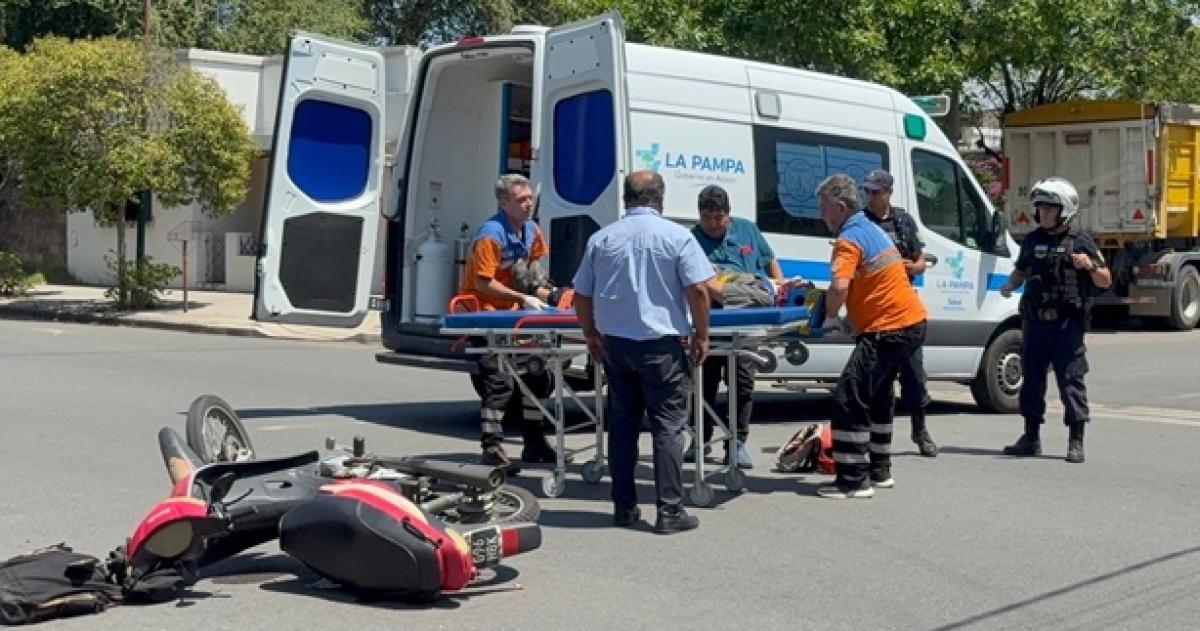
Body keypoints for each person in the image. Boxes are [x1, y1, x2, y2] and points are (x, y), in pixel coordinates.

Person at [573, 170, 714, 534]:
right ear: (660, 199)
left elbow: (581, 295)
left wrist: (590, 334)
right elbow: (699, 291)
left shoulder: (601, 239)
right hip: (662, 346)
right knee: (668, 427)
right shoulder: (677, 237)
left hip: (617, 346)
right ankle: (669, 511)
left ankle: (623, 507)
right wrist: (702, 335)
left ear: (626, 199)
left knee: (622, 427)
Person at [815, 174, 928, 499]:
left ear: (839, 207)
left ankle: (852, 481)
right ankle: (880, 471)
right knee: (877, 396)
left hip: (888, 329)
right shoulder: (871, 229)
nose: (822, 215)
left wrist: (832, 318)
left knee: (848, 398)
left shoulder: (849, 238)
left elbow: (839, 286)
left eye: (824, 208)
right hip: (909, 323)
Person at [998, 177, 1111, 463]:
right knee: (1032, 380)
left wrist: (1089, 266)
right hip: (1035, 323)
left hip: (1066, 325)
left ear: (1065, 210)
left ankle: (1076, 440)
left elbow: (1105, 280)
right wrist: (1011, 284)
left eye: (1050, 208)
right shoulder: (1033, 240)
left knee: (1071, 380)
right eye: (1041, 208)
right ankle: (1030, 437)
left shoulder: (1080, 241)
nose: (1044, 213)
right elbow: (1021, 270)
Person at [461, 174, 559, 469]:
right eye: (521, 200)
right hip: (486, 313)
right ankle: (491, 448)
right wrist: (522, 297)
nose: (528, 204)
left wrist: (551, 295)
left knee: (538, 375)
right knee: (499, 381)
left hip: (517, 314)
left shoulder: (531, 231)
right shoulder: (490, 234)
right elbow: (482, 283)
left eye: (530, 198)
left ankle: (534, 441)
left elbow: (533, 273)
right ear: (504, 203)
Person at [688, 184, 784, 469]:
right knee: (704, 382)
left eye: (720, 218)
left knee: (742, 382)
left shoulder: (747, 230)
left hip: (748, 320)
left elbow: (770, 263)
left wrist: (780, 290)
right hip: (712, 320)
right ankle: (700, 439)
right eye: (708, 218)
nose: (714, 224)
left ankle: (736, 443)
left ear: (729, 215)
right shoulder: (691, 240)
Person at [861, 169, 938, 458]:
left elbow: (920, 263)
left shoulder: (904, 221)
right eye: (867, 191)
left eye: (876, 192)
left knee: (915, 376)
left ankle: (920, 430)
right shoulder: (861, 223)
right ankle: (877, 438)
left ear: (888, 192)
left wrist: (908, 266)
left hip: (904, 311)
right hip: (875, 310)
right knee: (876, 380)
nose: (871, 197)